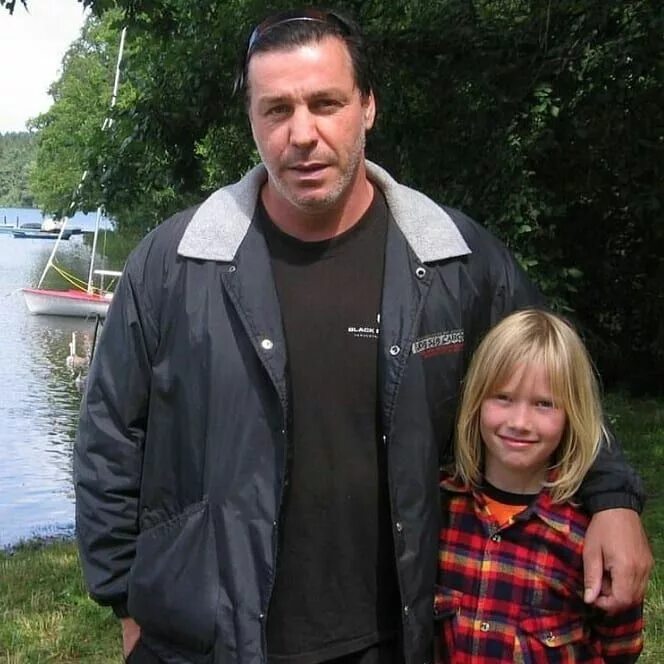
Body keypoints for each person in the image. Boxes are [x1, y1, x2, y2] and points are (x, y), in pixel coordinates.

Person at [74, 7, 652, 664]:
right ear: (251, 120)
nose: (302, 134)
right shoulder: (174, 263)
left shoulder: (454, 260)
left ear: (368, 107)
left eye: (326, 104)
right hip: (207, 640)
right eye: (276, 110)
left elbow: (559, 383)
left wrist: (614, 500)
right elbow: (108, 438)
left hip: (395, 639)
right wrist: (124, 600)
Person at [434, 309, 644, 663]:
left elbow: (619, 648)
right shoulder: (437, 511)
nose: (520, 422)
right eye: (503, 397)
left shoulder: (589, 538)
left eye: (544, 404)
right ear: (475, 400)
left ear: (572, 413)